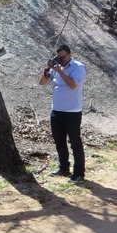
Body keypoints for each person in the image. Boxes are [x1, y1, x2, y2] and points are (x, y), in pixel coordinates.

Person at [38, 43, 87, 183]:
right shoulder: (56, 68)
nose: (61, 60)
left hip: (72, 111)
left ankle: (79, 174)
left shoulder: (78, 67)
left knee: (75, 143)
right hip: (56, 110)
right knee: (59, 142)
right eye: (58, 57)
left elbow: (72, 85)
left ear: (70, 55)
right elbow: (41, 83)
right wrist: (48, 69)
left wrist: (60, 71)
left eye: (63, 57)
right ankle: (63, 168)